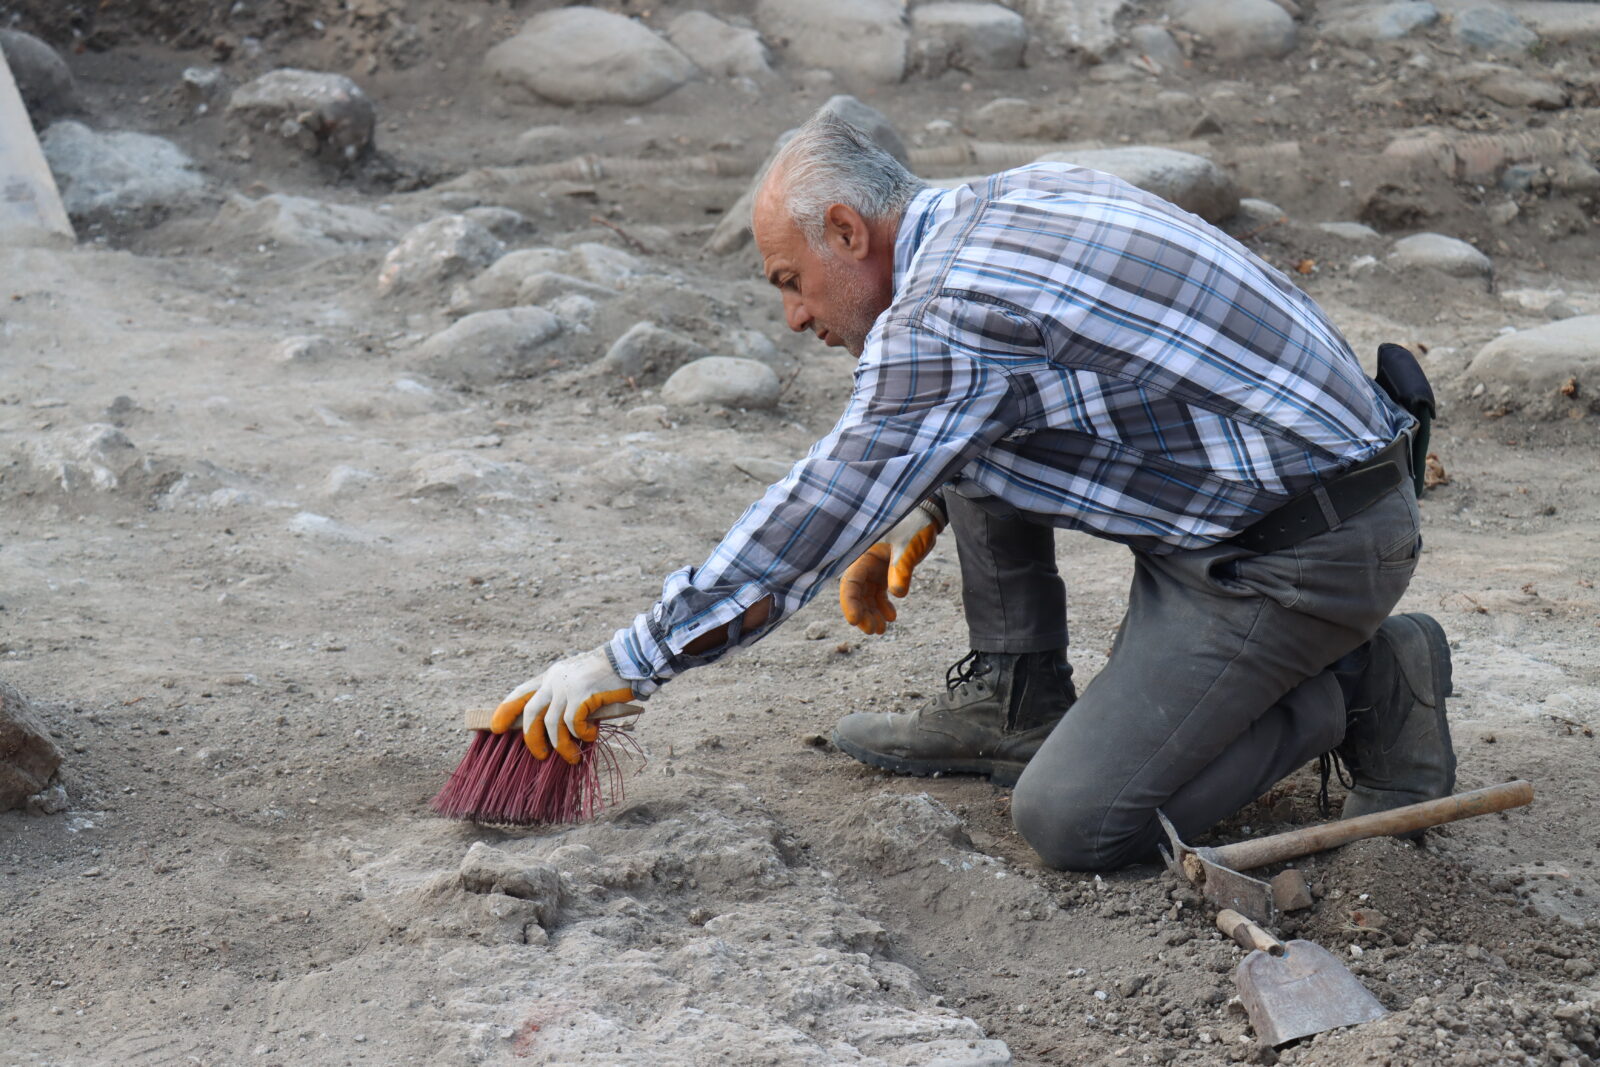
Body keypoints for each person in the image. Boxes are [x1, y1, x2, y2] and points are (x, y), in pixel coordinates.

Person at [489, 109, 1456, 871]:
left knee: (1075, 823)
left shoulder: (948, 311)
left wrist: (626, 660)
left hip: (1297, 554)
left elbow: (818, 507)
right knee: (941, 443)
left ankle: (1363, 684)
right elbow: (1056, 384)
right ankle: (1016, 691)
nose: (793, 316)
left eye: (793, 280)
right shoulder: (1003, 202)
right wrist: (919, 503)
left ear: (844, 229)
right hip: (1259, 493)